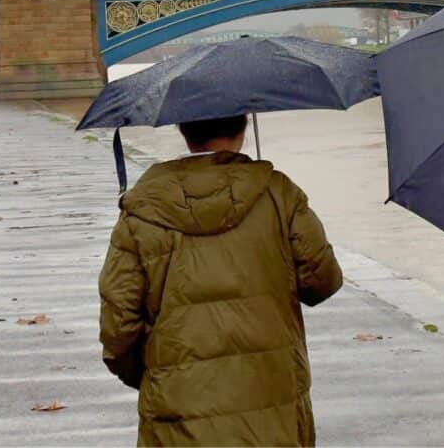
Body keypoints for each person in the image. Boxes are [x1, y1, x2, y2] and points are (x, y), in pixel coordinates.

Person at [98, 114, 343, 447]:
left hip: (179, 414)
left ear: (182, 129)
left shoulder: (142, 208)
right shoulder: (278, 194)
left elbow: (118, 328)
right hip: (273, 404)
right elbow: (323, 281)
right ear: (243, 127)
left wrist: (159, 375)